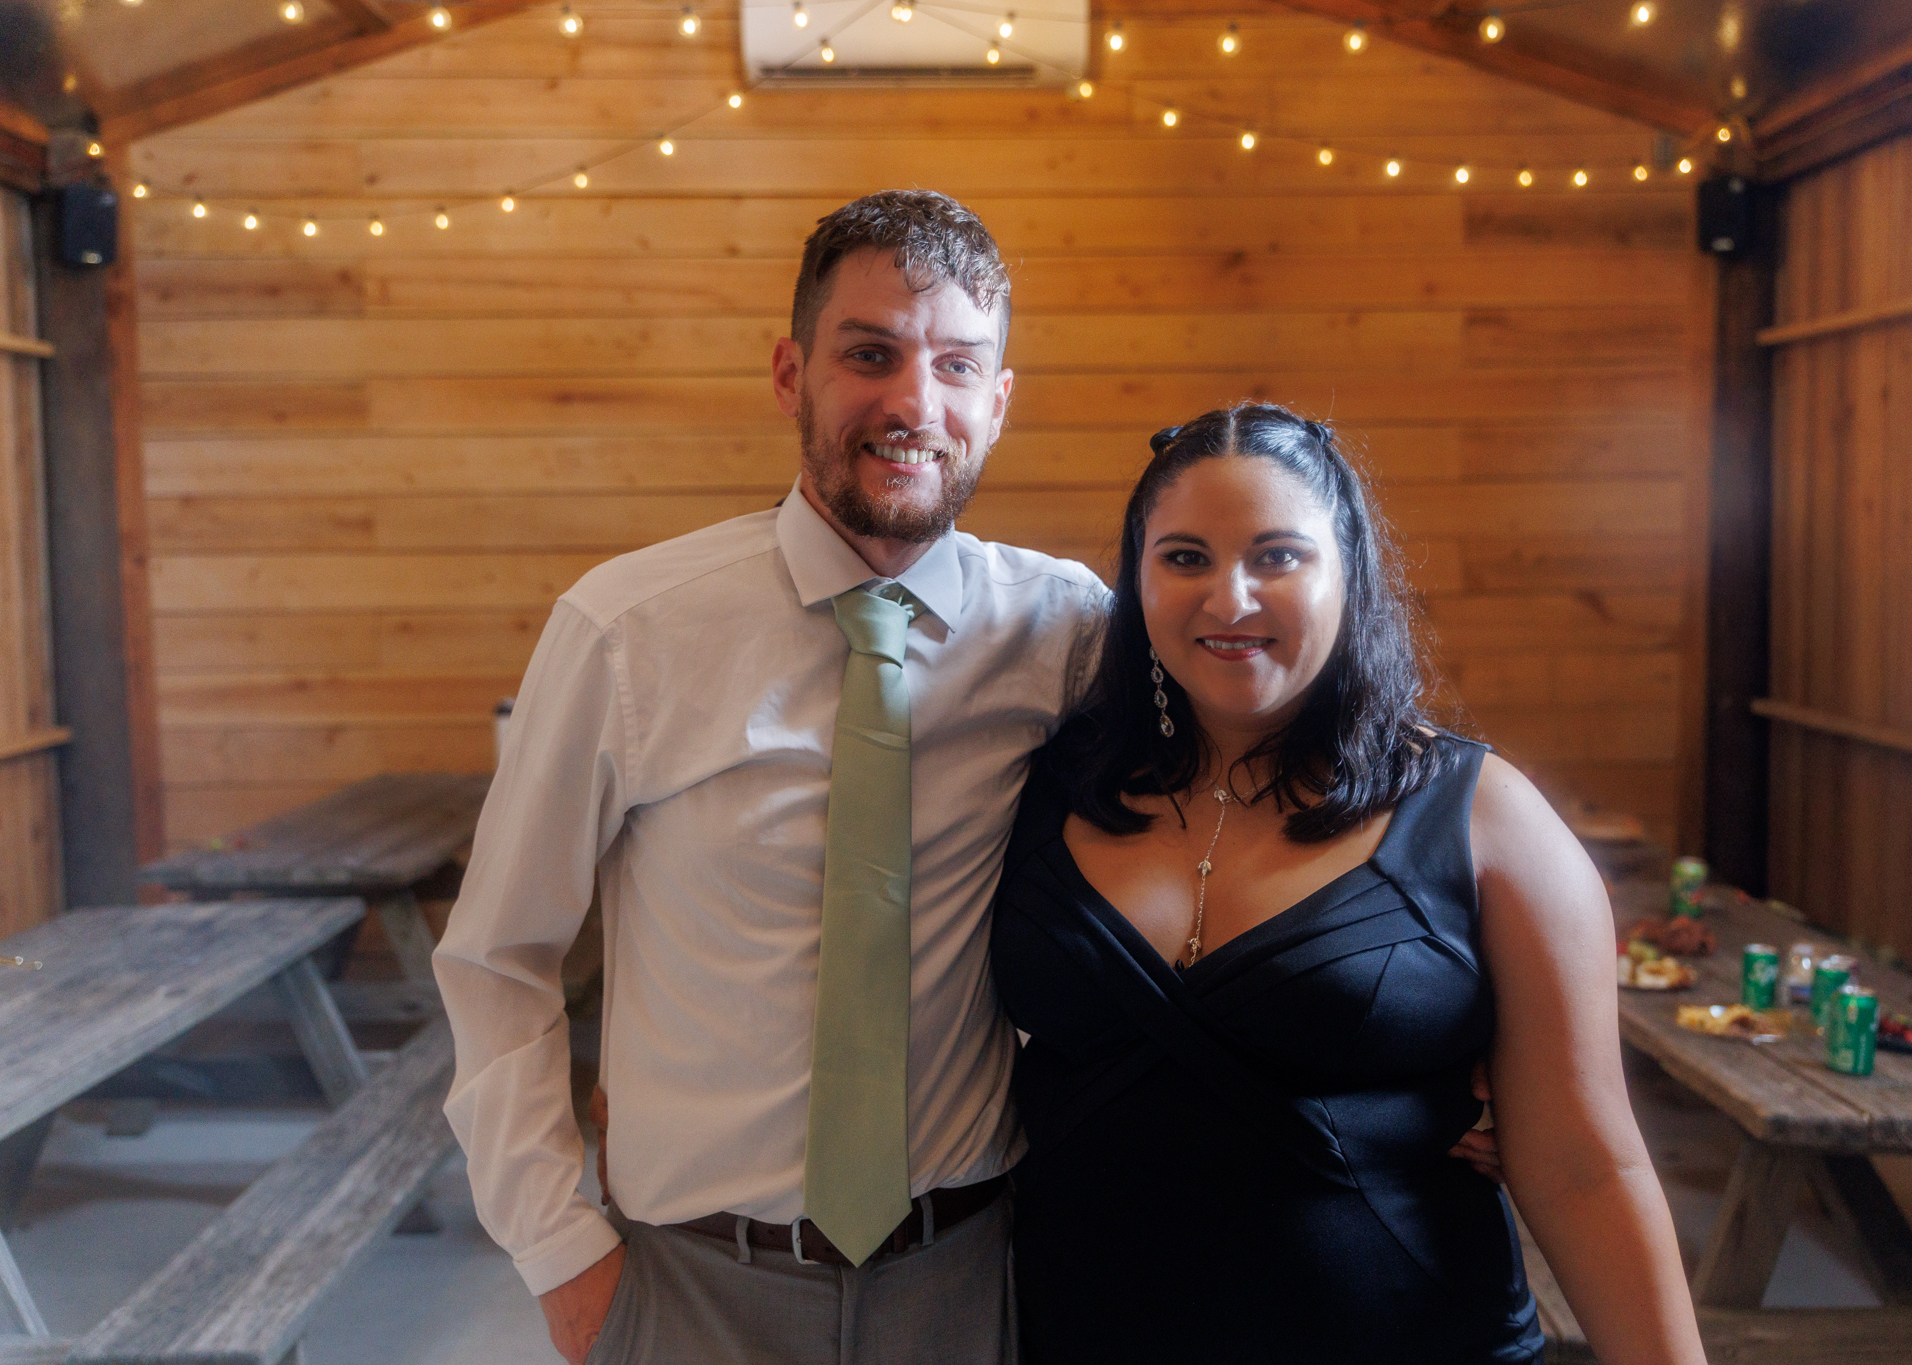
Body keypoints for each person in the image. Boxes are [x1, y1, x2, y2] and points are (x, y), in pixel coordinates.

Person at [441, 191, 1500, 1365]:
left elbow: (1273, 751)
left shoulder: (1068, 630)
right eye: (869, 355)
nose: (913, 403)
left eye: (954, 365)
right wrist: (559, 1254)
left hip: (970, 1279)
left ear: (996, 402)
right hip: (692, 1283)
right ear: (791, 374)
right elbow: (497, 958)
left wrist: (1451, 1052)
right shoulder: (625, 631)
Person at [989, 404, 1708, 1364]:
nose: (1230, 599)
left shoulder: (1482, 815)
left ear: (1348, 572)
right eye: (1186, 557)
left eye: (1279, 556)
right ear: (1138, 576)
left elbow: (1587, 1168)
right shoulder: (1044, 780)